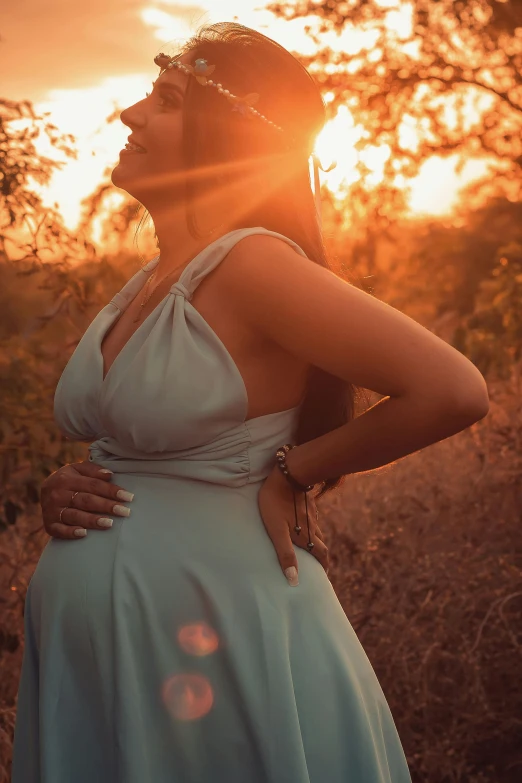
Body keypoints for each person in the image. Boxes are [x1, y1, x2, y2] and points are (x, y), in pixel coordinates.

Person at [11, 21, 489, 783]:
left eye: (164, 100)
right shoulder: (149, 280)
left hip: (215, 635)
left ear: (224, 138)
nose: (130, 114)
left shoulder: (252, 264)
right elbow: (142, 449)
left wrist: (295, 471)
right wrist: (64, 487)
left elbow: (455, 389)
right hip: (115, 652)